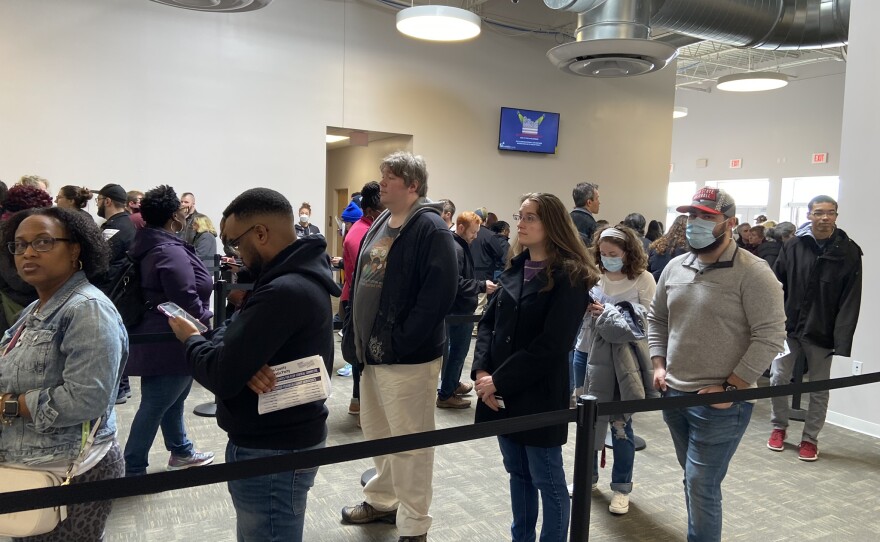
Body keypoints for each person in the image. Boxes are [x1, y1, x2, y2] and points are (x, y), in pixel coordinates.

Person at [168, 187, 340, 542]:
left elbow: (219, 373)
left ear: (260, 233)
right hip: (276, 438)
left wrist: (190, 338)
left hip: (274, 445)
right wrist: (236, 358)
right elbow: (229, 341)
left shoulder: (283, 289)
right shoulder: (288, 277)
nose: (234, 255)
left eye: (234, 243)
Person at [648, 187, 786, 542]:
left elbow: (770, 336)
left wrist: (732, 387)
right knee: (692, 478)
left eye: (706, 217)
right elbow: (658, 319)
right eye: (692, 216)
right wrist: (658, 363)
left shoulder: (754, 272)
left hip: (721, 403)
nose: (695, 224)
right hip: (674, 394)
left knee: (701, 483)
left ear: (731, 223)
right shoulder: (676, 266)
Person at [341, 151, 457, 542]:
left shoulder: (431, 228)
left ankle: (414, 526)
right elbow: (362, 282)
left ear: (412, 185)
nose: (381, 182)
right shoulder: (381, 224)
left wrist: (402, 340)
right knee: (378, 433)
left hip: (406, 358)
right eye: (382, 175)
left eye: (390, 177)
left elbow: (438, 295)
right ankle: (382, 499)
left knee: (411, 444)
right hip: (371, 353)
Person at [472, 192, 597, 542]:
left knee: (548, 480)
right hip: (499, 391)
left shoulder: (571, 276)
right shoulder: (515, 266)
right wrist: (483, 373)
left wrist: (498, 381)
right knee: (518, 473)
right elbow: (488, 325)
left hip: (538, 392)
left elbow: (552, 345)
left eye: (531, 218)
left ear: (552, 224)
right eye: (520, 216)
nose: (521, 224)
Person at [0, 207, 127, 540]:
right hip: (33, 464)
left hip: (73, 471)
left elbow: (86, 399)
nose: (28, 252)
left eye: (43, 242)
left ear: (75, 250)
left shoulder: (87, 309)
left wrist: (8, 405)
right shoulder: (38, 306)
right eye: (19, 244)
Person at [123, 185, 215, 477]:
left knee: (172, 398)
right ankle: (133, 466)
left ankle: (181, 450)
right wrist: (207, 329)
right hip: (173, 336)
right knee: (156, 403)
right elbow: (186, 298)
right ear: (174, 215)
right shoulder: (168, 250)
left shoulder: (150, 242)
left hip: (163, 334)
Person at [768, 195, 862, 461]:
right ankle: (779, 427)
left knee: (818, 386)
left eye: (830, 213)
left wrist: (841, 338)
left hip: (822, 330)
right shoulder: (794, 245)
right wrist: (772, 323)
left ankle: (810, 439)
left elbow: (850, 298)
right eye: (819, 212)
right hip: (788, 327)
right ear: (809, 215)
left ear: (835, 216)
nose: (824, 218)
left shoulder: (849, 251)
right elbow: (776, 285)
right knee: (777, 378)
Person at [574, 225, 656, 514]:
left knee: (620, 425)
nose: (608, 258)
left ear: (627, 253)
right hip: (585, 352)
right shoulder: (593, 274)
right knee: (586, 421)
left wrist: (608, 311)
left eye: (614, 254)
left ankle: (622, 488)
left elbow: (645, 322)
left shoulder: (643, 279)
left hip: (622, 361)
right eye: (604, 253)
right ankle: (588, 478)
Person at [437, 211, 496, 409]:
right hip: (459, 310)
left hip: (460, 309)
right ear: (460, 228)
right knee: (458, 352)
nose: (475, 236)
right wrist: (480, 286)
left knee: (457, 351)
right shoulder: (457, 249)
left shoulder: (459, 245)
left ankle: (451, 384)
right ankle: (446, 394)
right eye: (473, 232)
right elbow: (456, 282)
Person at [339, 182, 383, 423]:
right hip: (358, 300)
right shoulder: (363, 235)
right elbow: (367, 278)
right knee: (361, 354)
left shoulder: (363, 229)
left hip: (355, 297)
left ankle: (359, 401)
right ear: (370, 212)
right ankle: (361, 402)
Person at [93, 183, 137, 406]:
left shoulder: (116, 227)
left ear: (107, 201)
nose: (98, 205)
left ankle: (118, 388)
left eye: (99, 200)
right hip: (116, 290)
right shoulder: (124, 224)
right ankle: (122, 386)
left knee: (109, 340)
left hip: (110, 290)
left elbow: (99, 259)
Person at [647, 215, 688, 282]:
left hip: (654, 283)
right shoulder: (687, 249)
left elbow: (647, 268)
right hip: (674, 285)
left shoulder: (657, 244)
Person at [570, 181, 600, 246]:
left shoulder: (564, 219)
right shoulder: (592, 225)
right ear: (589, 202)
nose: (599, 202)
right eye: (597, 198)